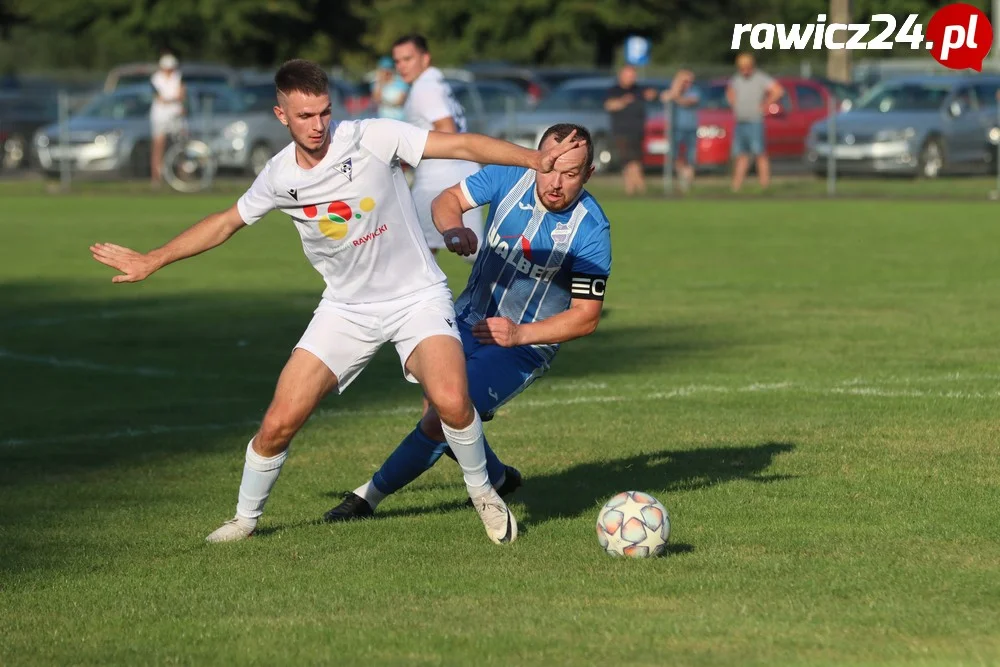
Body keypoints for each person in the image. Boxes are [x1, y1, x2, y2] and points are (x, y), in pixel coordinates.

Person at [89, 59, 583, 546]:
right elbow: (225, 222)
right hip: (345, 309)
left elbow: (459, 143)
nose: (318, 125)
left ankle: (484, 494)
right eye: (305, 116)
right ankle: (244, 520)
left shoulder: (370, 137)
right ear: (282, 115)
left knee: (453, 400)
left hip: (416, 297)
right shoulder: (279, 176)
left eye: (324, 112)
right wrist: (154, 259)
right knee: (279, 422)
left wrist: (531, 158)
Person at [324, 122, 611, 523]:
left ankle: (367, 497)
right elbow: (447, 199)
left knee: (444, 415)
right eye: (549, 168)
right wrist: (453, 228)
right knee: (441, 401)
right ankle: (497, 476)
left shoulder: (592, 229)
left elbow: (586, 317)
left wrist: (519, 334)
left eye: (571, 173)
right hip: (464, 318)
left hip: (524, 347)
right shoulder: (508, 175)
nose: (556, 183)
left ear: (589, 174)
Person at [392, 34, 483, 263]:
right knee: (476, 255)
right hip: (462, 173)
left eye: (408, 59)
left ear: (425, 58)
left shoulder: (425, 88)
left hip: (439, 179)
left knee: (414, 254)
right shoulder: (435, 83)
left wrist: (409, 151)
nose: (401, 66)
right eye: (398, 61)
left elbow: (448, 130)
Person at [726, 53, 784, 193]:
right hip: (740, 121)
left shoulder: (760, 78)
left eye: (746, 67)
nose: (744, 70)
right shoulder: (736, 79)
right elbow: (730, 92)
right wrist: (734, 103)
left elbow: (778, 90)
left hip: (755, 121)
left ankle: (765, 186)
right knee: (741, 155)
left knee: (759, 153)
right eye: (741, 68)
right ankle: (736, 188)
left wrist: (766, 104)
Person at [604, 65, 657, 196]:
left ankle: (632, 190)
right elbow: (609, 105)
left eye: (633, 75)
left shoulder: (638, 90)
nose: (632, 78)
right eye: (629, 75)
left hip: (637, 131)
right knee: (630, 161)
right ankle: (639, 188)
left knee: (635, 160)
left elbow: (652, 95)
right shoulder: (615, 90)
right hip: (621, 131)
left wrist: (652, 94)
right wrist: (623, 101)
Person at [660, 69, 701, 193]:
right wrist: (676, 87)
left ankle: (688, 183)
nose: (687, 84)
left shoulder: (694, 91)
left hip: (690, 128)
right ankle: (682, 179)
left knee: (690, 156)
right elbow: (665, 98)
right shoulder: (673, 91)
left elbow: (687, 101)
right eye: (684, 81)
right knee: (675, 155)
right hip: (675, 128)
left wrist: (675, 96)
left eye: (689, 81)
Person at [149, 51, 186, 187]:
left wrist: (170, 100)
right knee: (158, 146)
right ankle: (156, 178)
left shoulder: (178, 77)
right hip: (160, 115)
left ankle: (182, 175)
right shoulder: (155, 79)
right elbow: (159, 98)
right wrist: (172, 99)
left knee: (181, 144)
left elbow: (181, 95)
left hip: (176, 115)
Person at [372, 56, 408, 120]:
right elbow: (376, 99)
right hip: (383, 119)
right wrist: (380, 83)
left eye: (387, 71)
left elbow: (400, 102)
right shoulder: (378, 83)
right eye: (383, 71)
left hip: (399, 119)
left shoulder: (400, 82)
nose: (385, 73)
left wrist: (384, 102)